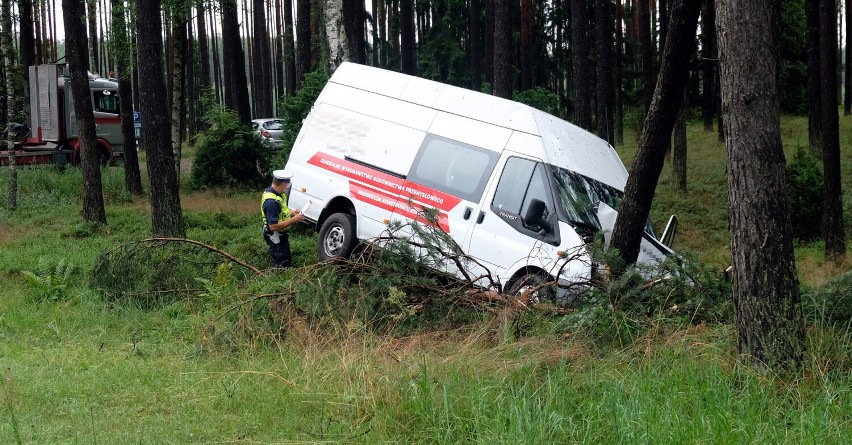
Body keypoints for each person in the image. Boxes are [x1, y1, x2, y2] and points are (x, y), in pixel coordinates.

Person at [261, 170, 304, 268]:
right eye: (288, 184)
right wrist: (294, 220)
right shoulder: (272, 202)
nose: (288, 186)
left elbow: (281, 211)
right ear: (283, 184)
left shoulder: (277, 193)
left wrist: (292, 213)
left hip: (281, 234)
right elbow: (273, 226)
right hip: (274, 235)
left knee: (287, 258)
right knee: (281, 263)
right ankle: (278, 279)